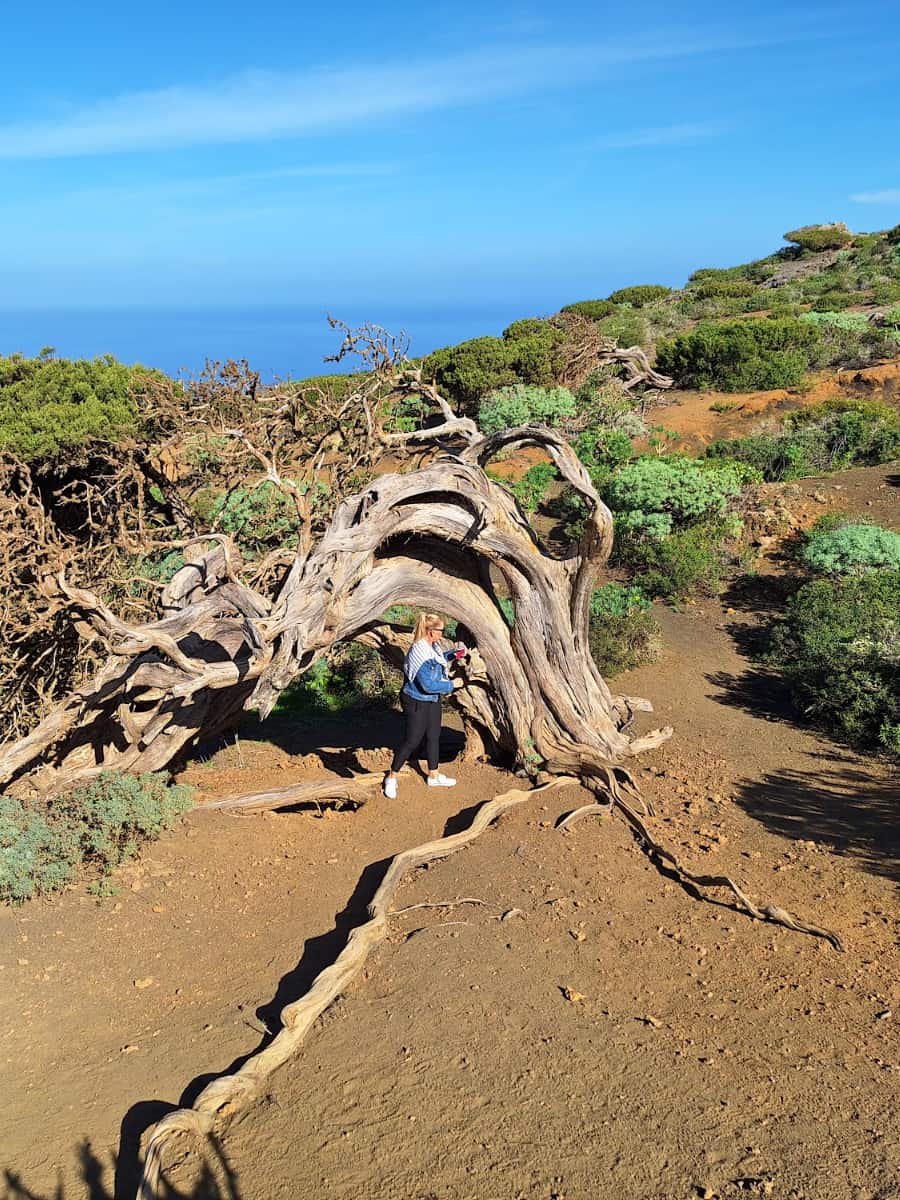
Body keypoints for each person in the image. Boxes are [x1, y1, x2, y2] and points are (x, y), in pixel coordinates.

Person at [383, 612, 466, 799]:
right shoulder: (419, 652)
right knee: (412, 740)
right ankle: (391, 777)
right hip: (417, 700)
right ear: (430, 631)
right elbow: (427, 684)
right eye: (441, 630)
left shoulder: (432, 646)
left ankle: (433, 775)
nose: (443, 634)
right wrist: (453, 684)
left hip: (431, 699)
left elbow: (436, 662)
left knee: (433, 736)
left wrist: (452, 655)